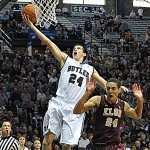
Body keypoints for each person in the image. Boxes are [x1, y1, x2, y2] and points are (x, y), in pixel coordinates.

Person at [22, 14, 128, 150]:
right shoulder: (65, 59)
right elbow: (49, 42)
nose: (75, 49)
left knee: (67, 146)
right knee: (47, 141)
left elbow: (105, 84)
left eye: (78, 48)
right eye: (74, 48)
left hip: (75, 109)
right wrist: (32, 26)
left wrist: (118, 88)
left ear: (84, 54)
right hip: (58, 103)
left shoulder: (90, 69)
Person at [74, 78, 144, 150]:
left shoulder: (123, 105)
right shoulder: (98, 100)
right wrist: (88, 93)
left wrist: (140, 100)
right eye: (108, 89)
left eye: (113, 89)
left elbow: (137, 115)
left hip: (115, 144)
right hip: (99, 144)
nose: (110, 91)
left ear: (119, 90)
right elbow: (76, 111)